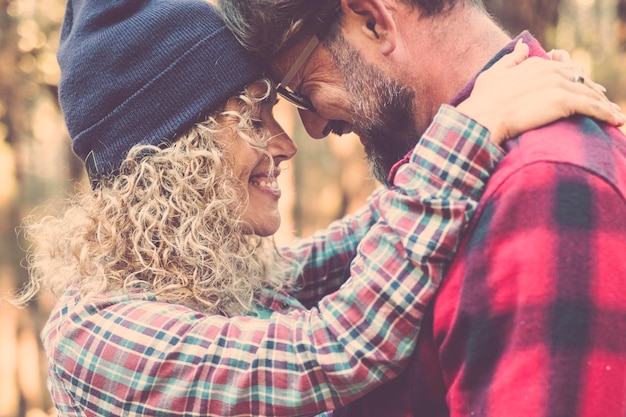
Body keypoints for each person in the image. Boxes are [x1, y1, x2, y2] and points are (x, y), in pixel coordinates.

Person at [16, 1, 624, 417]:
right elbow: (331, 348)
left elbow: (368, 242)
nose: (286, 143)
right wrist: (468, 129)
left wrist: (503, 105)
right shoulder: (98, 336)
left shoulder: (219, 290)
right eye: (254, 118)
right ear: (177, 153)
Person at [216, 0, 626, 416]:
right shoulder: (444, 188)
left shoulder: (541, 186)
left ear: (375, 21)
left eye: (303, 92)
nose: (314, 129)